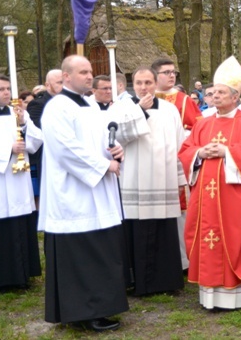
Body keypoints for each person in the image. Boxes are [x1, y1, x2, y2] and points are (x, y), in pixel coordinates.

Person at [178, 56, 241, 310]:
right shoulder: (203, 124)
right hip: (206, 200)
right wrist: (199, 154)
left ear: (235, 96)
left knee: (239, 238)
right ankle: (210, 294)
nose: (215, 96)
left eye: (221, 92)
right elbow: (187, 150)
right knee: (209, 240)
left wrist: (227, 152)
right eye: (212, 92)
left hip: (237, 199)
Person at [39, 55, 128, 331]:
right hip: (74, 194)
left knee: (101, 250)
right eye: (82, 72)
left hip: (97, 191)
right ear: (66, 77)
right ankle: (85, 312)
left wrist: (116, 151)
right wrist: (105, 165)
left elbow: (100, 142)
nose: (89, 76)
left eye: (90, 71)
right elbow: (67, 150)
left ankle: (99, 307)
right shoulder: (57, 108)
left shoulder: (89, 105)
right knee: (83, 256)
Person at [110, 67, 187, 295]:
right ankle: (136, 280)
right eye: (139, 83)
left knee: (164, 230)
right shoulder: (122, 107)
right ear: (133, 84)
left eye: (148, 82)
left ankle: (166, 281)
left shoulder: (170, 109)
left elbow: (180, 143)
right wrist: (139, 112)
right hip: (135, 177)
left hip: (164, 177)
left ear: (155, 84)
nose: (144, 87)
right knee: (137, 229)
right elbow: (116, 136)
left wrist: (180, 177)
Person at [0, 74, 42, 294]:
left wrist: (23, 124)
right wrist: (8, 150)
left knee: (19, 225)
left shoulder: (17, 114)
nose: (6, 93)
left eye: (8, 89)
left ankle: (21, 276)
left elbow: (36, 140)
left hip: (18, 180)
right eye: (1, 89)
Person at [152, 57, 202, 273]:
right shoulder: (144, 99)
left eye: (173, 72)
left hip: (176, 161)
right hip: (151, 164)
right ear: (155, 75)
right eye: (166, 72)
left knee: (180, 211)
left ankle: (183, 260)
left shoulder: (183, 100)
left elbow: (199, 128)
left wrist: (186, 135)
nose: (172, 75)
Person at [26, 69, 63, 200]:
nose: (64, 86)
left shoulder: (72, 103)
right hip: (48, 156)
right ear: (48, 85)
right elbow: (38, 132)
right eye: (59, 82)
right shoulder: (38, 104)